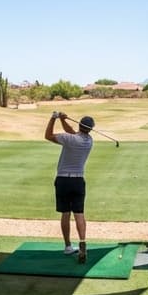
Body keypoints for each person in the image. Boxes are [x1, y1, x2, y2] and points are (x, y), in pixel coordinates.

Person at [46, 111, 94, 263]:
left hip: (63, 180)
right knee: (79, 213)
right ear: (91, 129)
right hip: (79, 181)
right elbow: (72, 132)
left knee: (65, 214)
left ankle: (68, 246)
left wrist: (54, 118)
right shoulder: (89, 141)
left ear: (80, 125)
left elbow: (48, 135)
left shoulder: (69, 139)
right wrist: (63, 120)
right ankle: (82, 242)